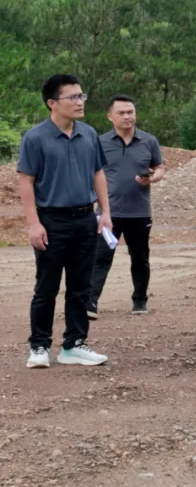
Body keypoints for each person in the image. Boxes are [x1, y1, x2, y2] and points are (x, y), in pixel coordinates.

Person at [18, 74, 111, 368]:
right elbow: (26, 181)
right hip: (52, 221)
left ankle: (73, 344)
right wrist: (34, 223)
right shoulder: (35, 138)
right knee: (46, 287)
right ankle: (39, 346)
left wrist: (105, 213)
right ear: (52, 103)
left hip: (85, 219)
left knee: (81, 287)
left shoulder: (89, 134)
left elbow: (98, 173)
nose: (80, 102)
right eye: (73, 97)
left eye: (81, 96)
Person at [88, 95, 165, 318]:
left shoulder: (149, 141)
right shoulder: (100, 143)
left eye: (130, 112)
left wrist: (152, 178)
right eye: (121, 113)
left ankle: (140, 301)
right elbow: (91, 173)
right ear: (110, 116)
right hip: (108, 213)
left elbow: (159, 167)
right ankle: (90, 303)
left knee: (140, 258)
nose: (127, 117)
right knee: (100, 258)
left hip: (139, 212)